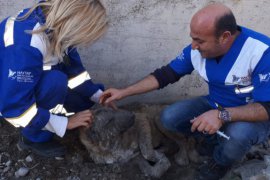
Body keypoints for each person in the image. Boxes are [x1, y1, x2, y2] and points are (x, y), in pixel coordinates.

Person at [101, 3, 270, 180]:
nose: (193, 46)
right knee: (169, 117)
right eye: (193, 38)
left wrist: (221, 116)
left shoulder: (261, 53)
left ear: (224, 37)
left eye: (200, 41)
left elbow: (267, 108)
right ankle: (216, 140)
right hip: (215, 104)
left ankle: (220, 162)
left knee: (237, 137)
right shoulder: (196, 51)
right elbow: (165, 75)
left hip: (252, 116)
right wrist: (124, 92)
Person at [0, 0, 108, 158]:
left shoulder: (54, 24)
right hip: (7, 96)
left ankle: (48, 117)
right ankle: (32, 138)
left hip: (15, 83)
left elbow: (74, 71)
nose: (83, 42)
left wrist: (98, 95)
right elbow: (13, 107)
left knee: (80, 100)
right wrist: (65, 123)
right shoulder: (26, 45)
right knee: (55, 82)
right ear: (72, 25)